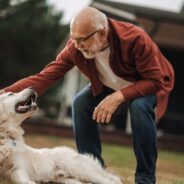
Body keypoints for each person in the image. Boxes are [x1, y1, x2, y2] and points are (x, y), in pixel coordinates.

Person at [0, 7, 174, 184]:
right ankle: (93, 168)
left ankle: (145, 177)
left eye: (83, 39)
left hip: (146, 82)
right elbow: (45, 77)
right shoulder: (75, 48)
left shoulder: (135, 38)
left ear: (102, 33)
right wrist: (4, 93)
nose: (77, 45)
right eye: (74, 39)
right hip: (109, 84)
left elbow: (155, 80)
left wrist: (117, 97)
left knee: (139, 107)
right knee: (80, 104)